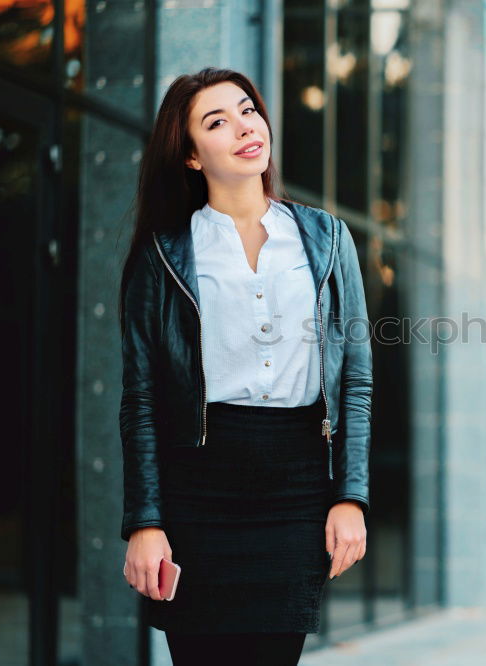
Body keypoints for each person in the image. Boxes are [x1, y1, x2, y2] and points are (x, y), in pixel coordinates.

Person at [118, 67, 373, 665]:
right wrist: (145, 521)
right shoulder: (163, 253)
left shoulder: (328, 239)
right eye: (217, 121)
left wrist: (350, 497)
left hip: (295, 486)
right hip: (197, 488)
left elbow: (354, 380)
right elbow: (142, 398)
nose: (244, 127)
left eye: (248, 110)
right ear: (188, 155)